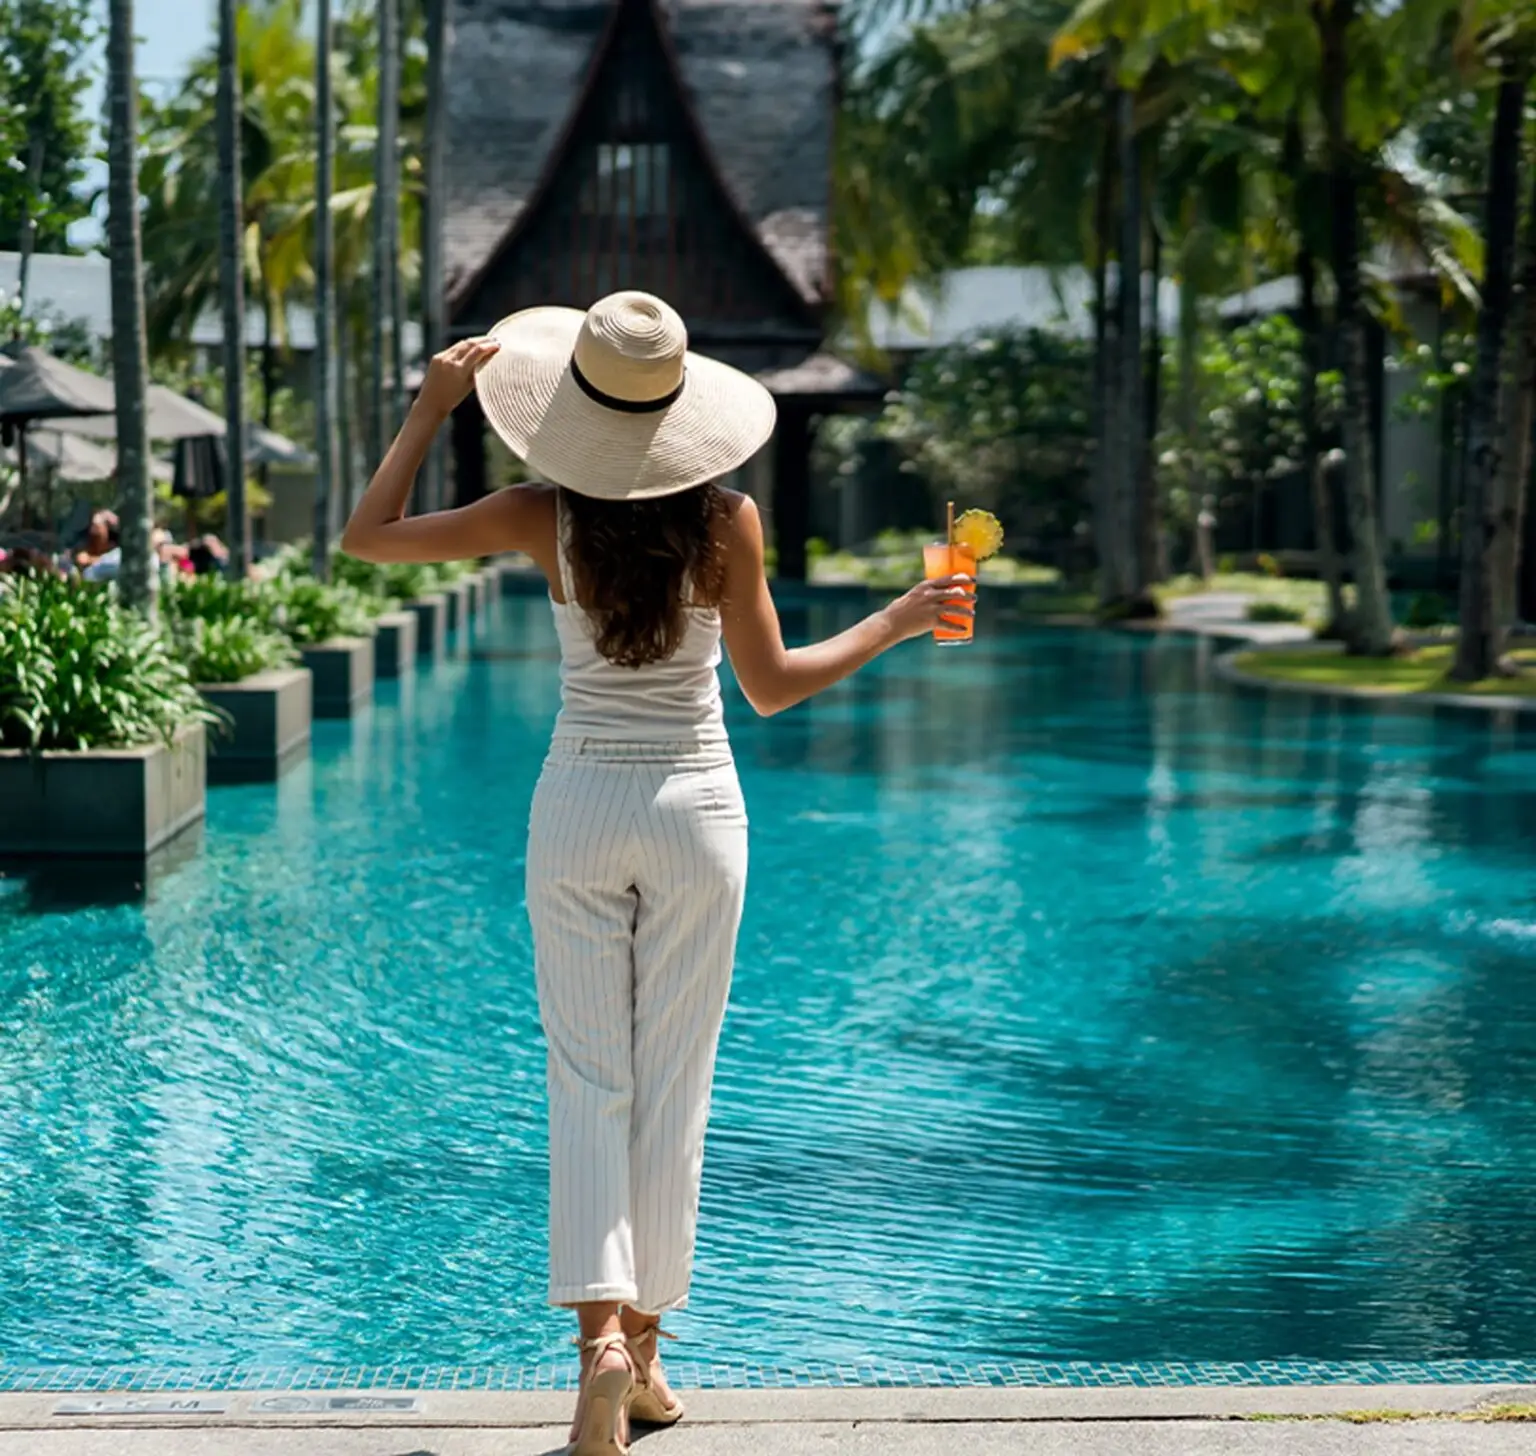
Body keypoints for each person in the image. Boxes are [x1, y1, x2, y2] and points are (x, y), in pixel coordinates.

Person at [341, 291, 971, 1456]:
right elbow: (773, 687)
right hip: (697, 809)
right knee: (672, 1086)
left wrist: (431, 407)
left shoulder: (543, 514)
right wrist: (893, 619)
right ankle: (650, 1353)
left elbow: (367, 538)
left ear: (576, 408)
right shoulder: (728, 519)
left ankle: (603, 1358)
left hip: (578, 800)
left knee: (590, 1080)